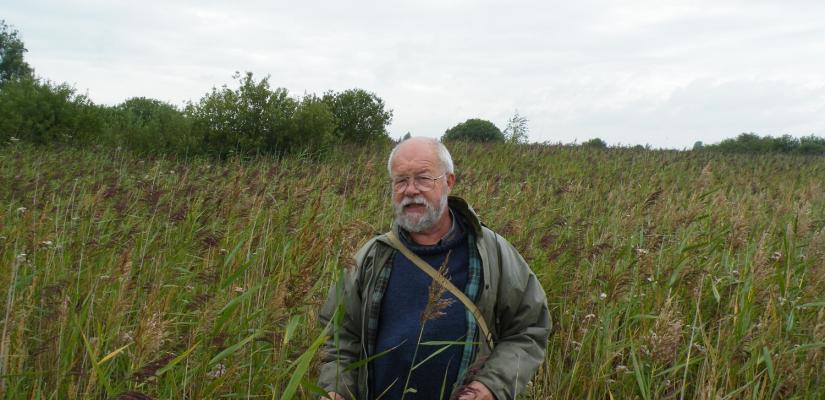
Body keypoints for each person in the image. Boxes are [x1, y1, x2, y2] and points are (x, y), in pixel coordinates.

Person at [318, 137, 551, 400]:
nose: (410, 190)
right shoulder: (372, 257)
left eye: (423, 178)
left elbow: (529, 328)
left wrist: (492, 386)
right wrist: (336, 388)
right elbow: (339, 336)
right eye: (401, 181)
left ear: (449, 182)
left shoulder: (493, 252)